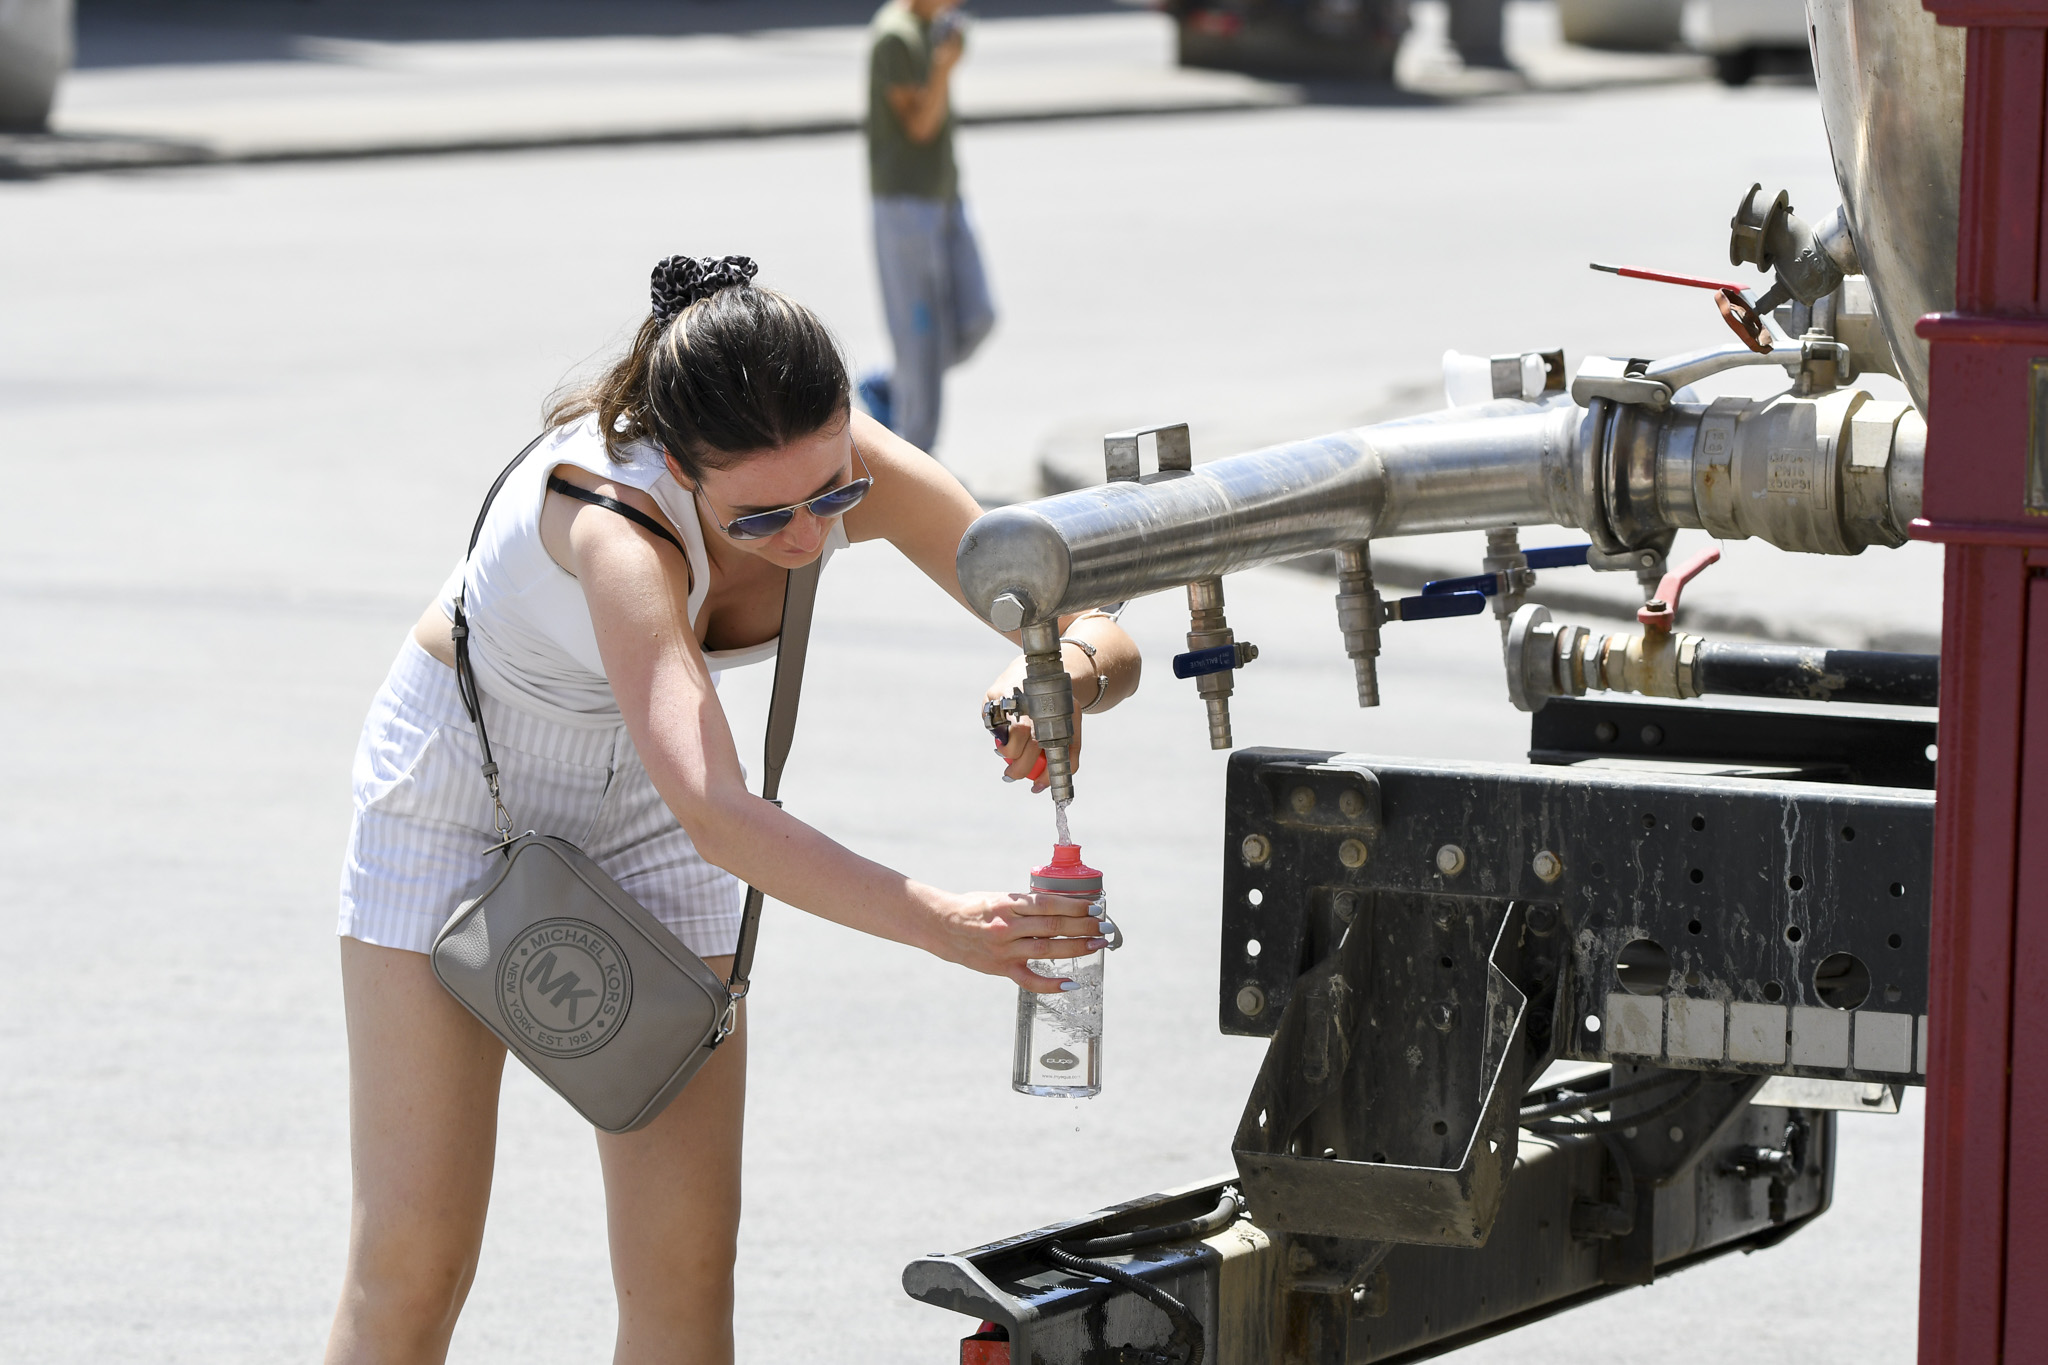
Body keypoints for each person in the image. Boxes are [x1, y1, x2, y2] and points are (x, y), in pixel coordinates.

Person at [325, 254, 1138, 1365]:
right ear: (678, 463)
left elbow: (1085, 619)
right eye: (762, 520)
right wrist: (944, 926)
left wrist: (1055, 679)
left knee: (687, 1267)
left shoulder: (844, 462)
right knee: (414, 1262)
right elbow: (717, 810)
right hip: (467, 786)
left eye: (835, 495)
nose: (810, 538)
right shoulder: (616, 523)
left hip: (656, 792)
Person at [862, 0, 995, 456]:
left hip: (943, 196)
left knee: (977, 317)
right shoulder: (895, 37)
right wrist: (944, 66)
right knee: (921, 339)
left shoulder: (932, 28)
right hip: (905, 205)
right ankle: (918, 461)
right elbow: (919, 125)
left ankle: (893, 384)